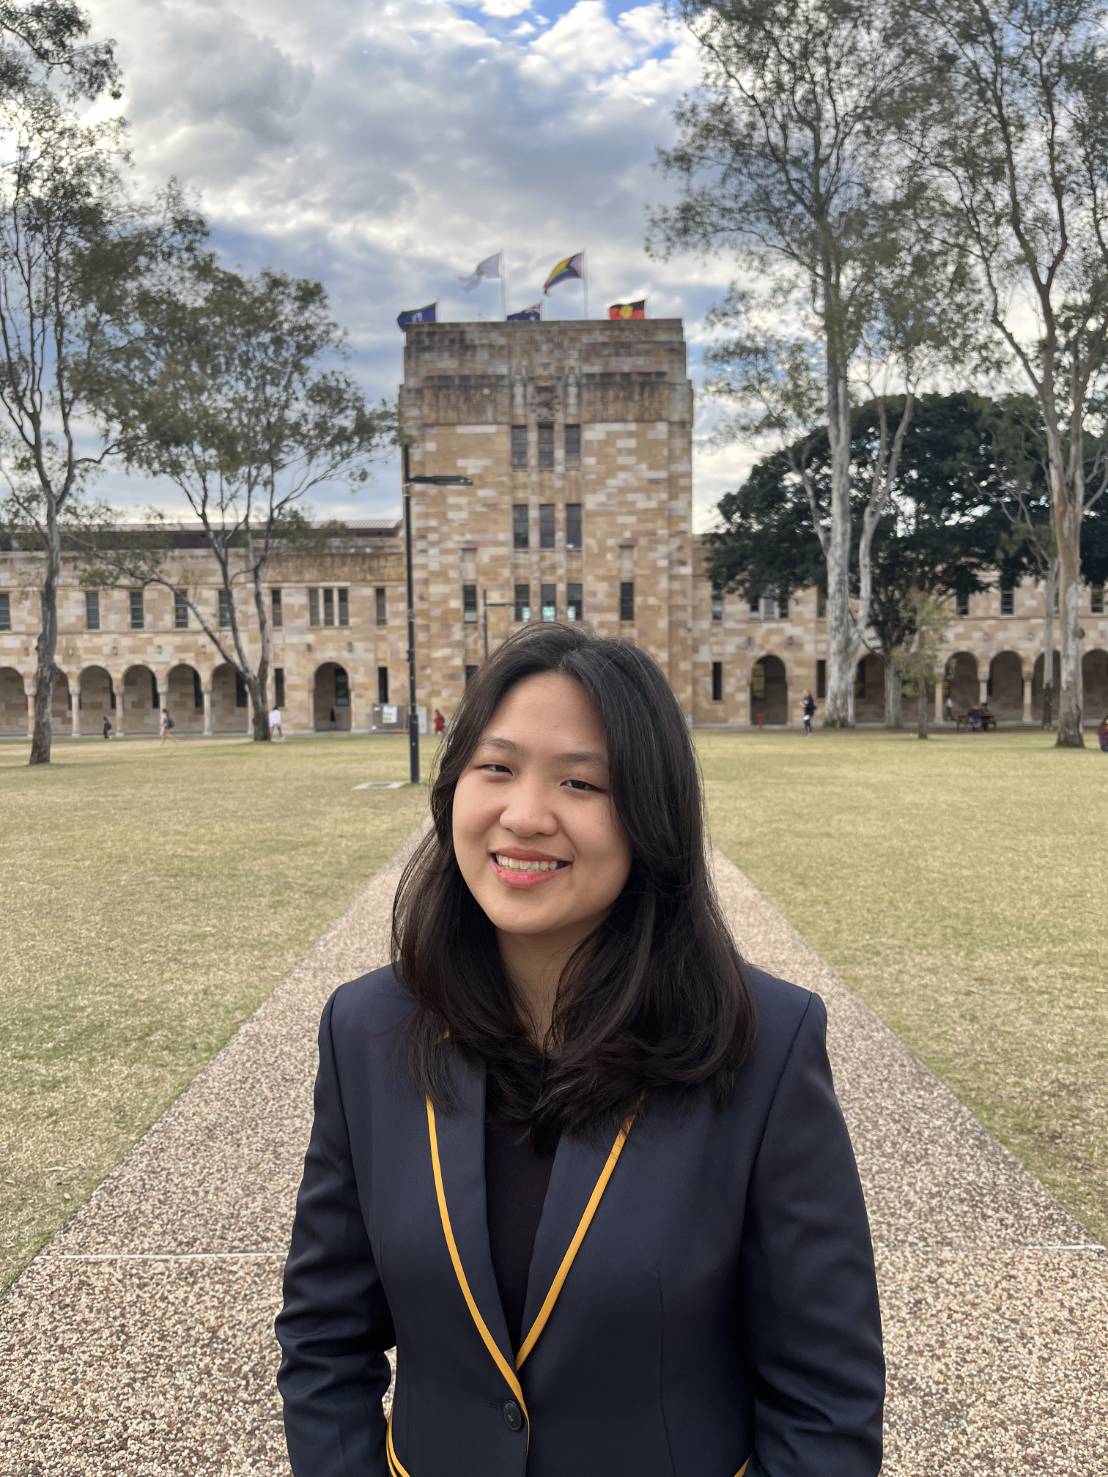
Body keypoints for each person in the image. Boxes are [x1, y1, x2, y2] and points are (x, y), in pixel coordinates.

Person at [276, 624, 884, 1476]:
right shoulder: (367, 1028)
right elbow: (324, 1336)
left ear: (651, 816)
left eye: (580, 781)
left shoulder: (762, 1045)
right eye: (496, 767)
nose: (524, 815)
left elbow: (826, 1396)